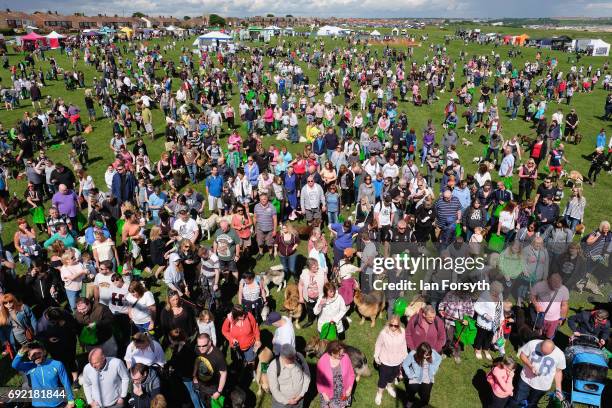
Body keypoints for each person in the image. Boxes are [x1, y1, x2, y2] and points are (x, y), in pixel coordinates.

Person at [12, 342, 76, 408]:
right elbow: (14, 365)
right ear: (29, 357)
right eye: (33, 355)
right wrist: (21, 352)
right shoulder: (29, 366)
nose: (36, 357)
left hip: (56, 403)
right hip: (38, 404)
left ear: (44, 352)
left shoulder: (57, 364)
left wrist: (71, 400)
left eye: (38, 353)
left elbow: (66, 382)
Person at [509, 339, 565, 408]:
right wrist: (530, 366)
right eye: (542, 351)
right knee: (517, 400)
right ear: (541, 344)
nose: (543, 355)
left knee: (531, 404)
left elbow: (558, 372)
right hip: (525, 380)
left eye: (546, 354)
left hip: (541, 387)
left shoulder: (560, 355)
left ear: (553, 350)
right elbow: (522, 355)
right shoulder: (533, 344)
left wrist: (558, 389)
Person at [373, 315, 408, 405]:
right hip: (385, 360)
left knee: (393, 376)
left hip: (397, 360)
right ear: (389, 324)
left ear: (399, 325)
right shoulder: (384, 333)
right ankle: (379, 393)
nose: (393, 327)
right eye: (391, 325)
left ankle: (389, 387)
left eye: (396, 325)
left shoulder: (403, 332)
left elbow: (404, 345)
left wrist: (405, 356)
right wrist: (376, 356)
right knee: (383, 378)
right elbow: (378, 345)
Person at [268, 343, 311, 408]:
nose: (294, 359)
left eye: (294, 356)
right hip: (282, 404)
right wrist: (287, 401)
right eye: (290, 358)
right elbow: (274, 389)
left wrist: (301, 394)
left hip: (299, 401)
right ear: (283, 357)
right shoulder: (274, 366)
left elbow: (307, 376)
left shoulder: (299, 357)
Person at [401, 342, 442, 408]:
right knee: (411, 391)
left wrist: (434, 369)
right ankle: (410, 401)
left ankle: (424, 405)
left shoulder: (432, 353)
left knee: (426, 395)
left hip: (428, 377)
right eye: (426, 355)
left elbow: (439, 358)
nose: (428, 356)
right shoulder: (413, 354)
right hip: (415, 377)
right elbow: (405, 364)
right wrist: (409, 375)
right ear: (421, 352)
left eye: (429, 354)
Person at [316, 341, 355, 408]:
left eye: (342, 353)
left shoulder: (345, 357)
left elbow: (351, 374)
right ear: (332, 353)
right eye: (339, 354)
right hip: (328, 393)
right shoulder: (322, 361)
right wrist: (324, 394)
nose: (342, 355)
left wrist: (350, 388)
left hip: (342, 391)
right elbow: (319, 381)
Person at [529, 273, 569, 339]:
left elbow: (564, 305)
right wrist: (536, 305)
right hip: (541, 316)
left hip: (554, 320)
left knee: (549, 336)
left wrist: (562, 318)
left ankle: (546, 344)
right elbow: (532, 296)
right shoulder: (540, 285)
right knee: (538, 332)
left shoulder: (564, 290)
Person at [193, 333, 227, 407]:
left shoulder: (218, 356)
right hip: (200, 384)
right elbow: (197, 360)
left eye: (204, 345)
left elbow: (223, 374)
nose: (201, 348)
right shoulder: (197, 349)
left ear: (210, 342)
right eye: (199, 345)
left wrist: (219, 392)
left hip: (212, 388)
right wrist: (194, 375)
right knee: (203, 402)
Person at [473, 281, 504, 360]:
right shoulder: (485, 295)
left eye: (499, 292)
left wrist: (502, 319)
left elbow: (500, 308)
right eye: (496, 292)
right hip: (484, 322)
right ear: (492, 289)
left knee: (490, 336)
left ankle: (486, 349)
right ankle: (477, 349)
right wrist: (485, 315)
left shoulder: (500, 295)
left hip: (495, 322)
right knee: (481, 336)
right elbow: (476, 306)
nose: (497, 294)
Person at [298, 258, 327, 328]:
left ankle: (319, 322)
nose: (317, 267)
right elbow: (300, 285)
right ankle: (310, 321)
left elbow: (326, 283)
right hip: (308, 298)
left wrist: (327, 295)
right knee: (310, 310)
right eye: (314, 267)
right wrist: (301, 297)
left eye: (317, 265)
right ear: (309, 267)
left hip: (320, 297)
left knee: (320, 310)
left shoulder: (322, 271)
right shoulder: (304, 273)